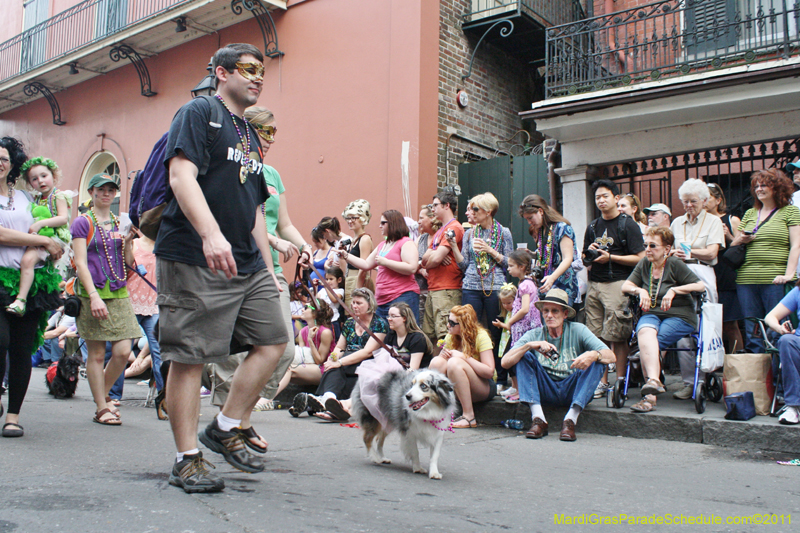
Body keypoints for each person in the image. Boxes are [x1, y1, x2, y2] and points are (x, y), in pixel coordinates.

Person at [156, 43, 289, 493]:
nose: (257, 77)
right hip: (194, 254)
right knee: (189, 357)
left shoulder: (249, 134)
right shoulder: (199, 112)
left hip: (246, 262)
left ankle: (227, 424)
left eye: (262, 72)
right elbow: (181, 176)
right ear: (221, 72)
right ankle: (186, 458)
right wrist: (211, 234)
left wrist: (268, 267)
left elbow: (254, 208)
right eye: (248, 70)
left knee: (273, 341)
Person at [0, 137, 64, 438]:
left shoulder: (27, 197)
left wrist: (53, 245)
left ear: (12, 163)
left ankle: (13, 415)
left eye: (3, 157)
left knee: (22, 348)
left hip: (31, 281)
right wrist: (41, 240)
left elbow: (53, 225)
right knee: (0, 341)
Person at [71, 173, 141, 426]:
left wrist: (129, 241)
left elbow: (128, 263)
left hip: (119, 290)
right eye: (101, 189)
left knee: (123, 351)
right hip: (93, 292)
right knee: (97, 354)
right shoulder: (83, 222)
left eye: (111, 190)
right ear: (91, 192)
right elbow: (80, 262)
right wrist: (93, 297)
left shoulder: (119, 221)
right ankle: (102, 406)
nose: (107, 194)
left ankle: (101, 395)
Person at [501, 289, 613, 441]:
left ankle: (570, 420)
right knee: (523, 355)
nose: (549, 315)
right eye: (545, 311)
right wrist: (529, 346)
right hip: (545, 388)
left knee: (598, 361)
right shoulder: (534, 334)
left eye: (555, 311)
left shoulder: (578, 330)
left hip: (571, 388)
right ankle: (538, 419)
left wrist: (594, 354)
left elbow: (611, 356)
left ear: (565, 314)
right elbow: (505, 362)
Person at [621, 227, 705, 413]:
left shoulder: (674, 264)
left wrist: (675, 290)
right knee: (644, 334)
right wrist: (640, 290)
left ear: (667, 249)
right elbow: (626, 285)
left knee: (651, 344)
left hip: (679, 315)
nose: (648, 249)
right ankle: (653, 382)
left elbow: (699, 285)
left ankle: (649, 397)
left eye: (653, 246)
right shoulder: (645, 264)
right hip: (652, 313)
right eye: (646, 245)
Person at [313, 301, 432, 421]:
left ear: (404, 319)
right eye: (388, 316)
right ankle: (343, 408)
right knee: (370, 376)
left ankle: (345, 406)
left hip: (412, 379)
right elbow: (385, 360)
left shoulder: (417, 338)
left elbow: (413, 369)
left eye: (393, 316)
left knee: (380, 382)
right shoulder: (391, 336)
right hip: (395, 375)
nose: (389, 319)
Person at [582, 179, 645, 399]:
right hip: (595, 285)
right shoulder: (592, 226)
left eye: (605, 196)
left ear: (616, 198)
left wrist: (611, 258)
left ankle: (620, 380)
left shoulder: (628, 225)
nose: (600, 200)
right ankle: (601, 382)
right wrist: (588, 252)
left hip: (618, 284)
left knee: (618, 335)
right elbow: (584, 259)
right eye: (597, 197)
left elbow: (640, 258)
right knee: (595, 336)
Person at [731, 169, 800, 353]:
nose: (759, 189)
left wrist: (789, 275)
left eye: (764, 185)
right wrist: (742, 239)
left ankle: (778, 375)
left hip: (774, 280)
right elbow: (735, 242)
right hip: (746, 279)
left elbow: (796, 246)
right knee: (753, 330)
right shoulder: (750, 213)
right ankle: (759, 378)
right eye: (757, 186)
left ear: (777, 188)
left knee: (777, 329)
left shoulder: (790, 212)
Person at [292, 287, 387, 418]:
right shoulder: (349, 323)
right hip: (348, 360)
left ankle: (319, 400)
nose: (354, 306)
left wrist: (340, 362)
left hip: (367, 362)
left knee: (338, 367)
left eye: (359, 303)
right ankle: (328, 399)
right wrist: (333, 358)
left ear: (370, 304)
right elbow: (339, 348)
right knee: (332, 366)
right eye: (353, 303)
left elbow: (367, 352)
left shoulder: (379, 324)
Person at [448, 193, 512, 360]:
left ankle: (497, 373)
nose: (472, 212)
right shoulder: (470, 233)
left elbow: (509, 263)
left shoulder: (504, 233)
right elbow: (464, 265)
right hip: (471, 286)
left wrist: (489, 250)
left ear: (488, 211)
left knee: (495, 329)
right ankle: (470, 364)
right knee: (468, 328)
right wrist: (454, 247)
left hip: (495, 286)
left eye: (475, 209)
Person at [8, 157, 72, 315]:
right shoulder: (36, 199)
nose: (41, 181)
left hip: (56, 237)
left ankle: (20, 300)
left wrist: (40, 224)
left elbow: (63, 217)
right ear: (30, 184)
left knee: (27, 260)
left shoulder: (58, 196)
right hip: (43, 237)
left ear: (53, 176)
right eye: (35, 179)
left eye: (44, 176)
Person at [338, 210, 420, 322]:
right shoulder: (383, 245)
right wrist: (346, 256)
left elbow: (412, 268)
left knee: (404, 335)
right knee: (382, 335)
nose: (379, 226)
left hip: (402, 297)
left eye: (383, 223)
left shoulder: (406, 242)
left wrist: (386, 262)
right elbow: (366, 264)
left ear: (392, 223)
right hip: (382, 300)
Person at [429, 304, 495, 429]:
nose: (448, 325)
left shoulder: (481, 335)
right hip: (459, 386)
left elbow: (489, 371)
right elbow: (442, 365)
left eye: (452, 323)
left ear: (464, 324)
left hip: (484, 386)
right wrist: (444, 355)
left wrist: (464, 357)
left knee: (455, 363)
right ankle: (436, 410)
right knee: (436, 362)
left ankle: (469, 416)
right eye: (448, 321)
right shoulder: (451, 336)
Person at [420, 187, 464, 342]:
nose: (432, 209)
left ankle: (446, 366)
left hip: (447, 289)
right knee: (430, 335)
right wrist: (430, 258)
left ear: (447, 206)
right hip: (435, 288)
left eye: (435, 205)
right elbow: (425, 257)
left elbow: (435, 259)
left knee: (446, 336)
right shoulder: (440, 231)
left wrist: (429, 261)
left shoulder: (453, 227)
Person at [518, 194, 578, 304]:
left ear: (540, 211)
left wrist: (552, 278)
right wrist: (532, 255)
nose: (529, 222)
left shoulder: (563, 228)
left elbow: (567, 258)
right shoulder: (542, 230)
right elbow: (548, 255)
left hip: (563, 288)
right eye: (527, 219)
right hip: (546, 287)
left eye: (530, 218)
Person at [706, 182, 744, 354]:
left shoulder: (731, 219)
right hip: (707, 274)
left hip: (726, 275)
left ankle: (738, 362)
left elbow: (741, 248)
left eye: (707, 198)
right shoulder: (701, 222)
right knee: (709, 323)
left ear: (718, 199)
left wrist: (728, 235)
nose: (703, 201)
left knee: (730, 323)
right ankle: (716, 363)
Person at [272, 300, 335, 400]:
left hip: (324, 370)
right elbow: (301, 358)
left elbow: (320, 360)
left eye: (306, 308)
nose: (302, 309)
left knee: (290, 369)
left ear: (315, 313)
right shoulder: (303, 331)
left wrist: (310, 340)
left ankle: (268, 400)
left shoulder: (325, 332)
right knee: (283, 367)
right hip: (307, 367)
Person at [127, 228, 163, 394]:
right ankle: (112, 396)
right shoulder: (134, 244)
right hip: (131, 302)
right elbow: (125, 272)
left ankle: (164, 396)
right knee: (121, 351)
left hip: (154, 305)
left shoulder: (164, 247)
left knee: (159, 352)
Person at [764, 282, 800, 424]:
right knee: (786, 341)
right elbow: (770, 317)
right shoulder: (798, 291)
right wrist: (780, 329)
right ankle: (794, 406)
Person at [341, 200, 374, 307]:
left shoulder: (364, 239)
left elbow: (363, 266)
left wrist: (358, 290)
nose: (350, 221)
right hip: (350, 279)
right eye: (348, 218)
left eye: (353, 218)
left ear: (362, 218)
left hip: (357, 280)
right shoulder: (354, 239)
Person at [415, 204, 441, 326]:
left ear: (432, 218)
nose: (418, 221)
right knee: (421, 325)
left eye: (421, 218)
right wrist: (421, 269)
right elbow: (412, 263)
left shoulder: (442, 237)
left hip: (437, 289)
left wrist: (421, 264)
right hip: (420, 289)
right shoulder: (420, 239)